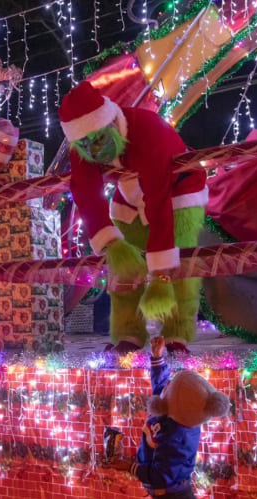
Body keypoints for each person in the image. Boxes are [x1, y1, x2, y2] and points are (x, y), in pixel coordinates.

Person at [59, 81, 209, 355]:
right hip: (129, 196)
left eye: (100, 140)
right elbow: (86, 194)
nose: (94, 151)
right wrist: (112, 244)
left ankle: (176, 333)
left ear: (112, 123)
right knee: (124, 271)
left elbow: (159, 197)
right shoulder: (83, 143)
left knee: (178, 263)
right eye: (85, 145)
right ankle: (129, 332)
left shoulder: (149, 130)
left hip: (179, 190)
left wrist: (161, 273)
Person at [107, 337, 229, 499]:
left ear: (173, 404)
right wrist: (157, 357)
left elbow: (160, 477)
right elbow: (160, 384)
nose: (167, 384)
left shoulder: (177, 439)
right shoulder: (175, 409)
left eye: (170, 387)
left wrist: (130, 467)